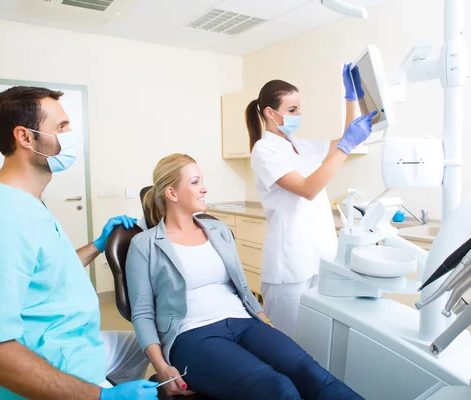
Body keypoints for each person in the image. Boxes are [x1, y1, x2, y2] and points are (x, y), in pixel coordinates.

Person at [0, 86, 157, 400]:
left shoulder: (27, 202)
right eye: (61, 127)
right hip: (54, 365)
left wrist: (98, 244)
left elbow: (47, 272)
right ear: (25, 137)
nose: (71, 134)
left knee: (151, 348)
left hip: (77, 343)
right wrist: (104, 397)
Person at [126, 153, 363, 400]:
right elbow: (142, 314)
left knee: (311, 373)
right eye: (195, 182)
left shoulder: (218, 230)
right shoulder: (145, 245)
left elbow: (241, 286)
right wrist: (162, 368)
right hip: (191, 335)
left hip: (243, 321)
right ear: (172, 194)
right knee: (277, 387)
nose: (204, 189)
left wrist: (265, 322)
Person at [244, 64, 377, 338]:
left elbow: (349, 140)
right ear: (270, 113)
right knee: (287, 345)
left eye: (299, 108)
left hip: (319, 257)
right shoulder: (264, 150)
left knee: (315, 341)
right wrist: (344, 146)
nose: (298, 115)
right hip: (289, 264)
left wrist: (351, 98)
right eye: (292, 110)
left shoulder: (300, 145)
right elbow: (308, 188)